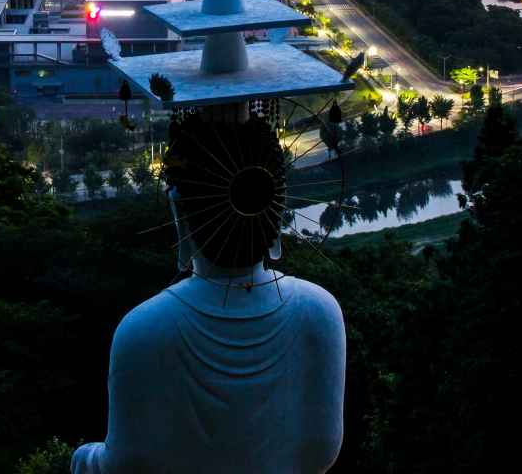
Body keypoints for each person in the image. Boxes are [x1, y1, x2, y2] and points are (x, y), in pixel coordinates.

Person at [72, 115, 346, 474]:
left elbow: (125, 465)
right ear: (277, 209)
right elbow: (321, 452)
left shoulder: (142, 330)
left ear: (179, 210)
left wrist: (83, 458)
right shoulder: (320, 311)